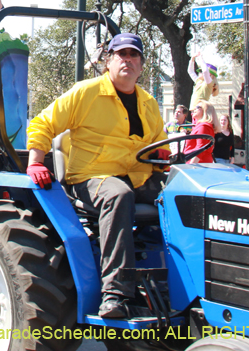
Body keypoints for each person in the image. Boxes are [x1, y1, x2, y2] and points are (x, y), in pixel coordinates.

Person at [25, 33, 168, 319]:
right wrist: (36, 162)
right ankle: (115, 294)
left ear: (141, 65)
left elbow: (160, 144)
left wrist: (165, 158)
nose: (127, 60)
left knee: (186, 196)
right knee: (118, 195)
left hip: (137, 176)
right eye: (121, 54)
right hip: (92, 176)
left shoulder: (149, 103)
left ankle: (176, 280)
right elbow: (43, 122)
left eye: (133, 55)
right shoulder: (86, 92)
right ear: (108, 61)